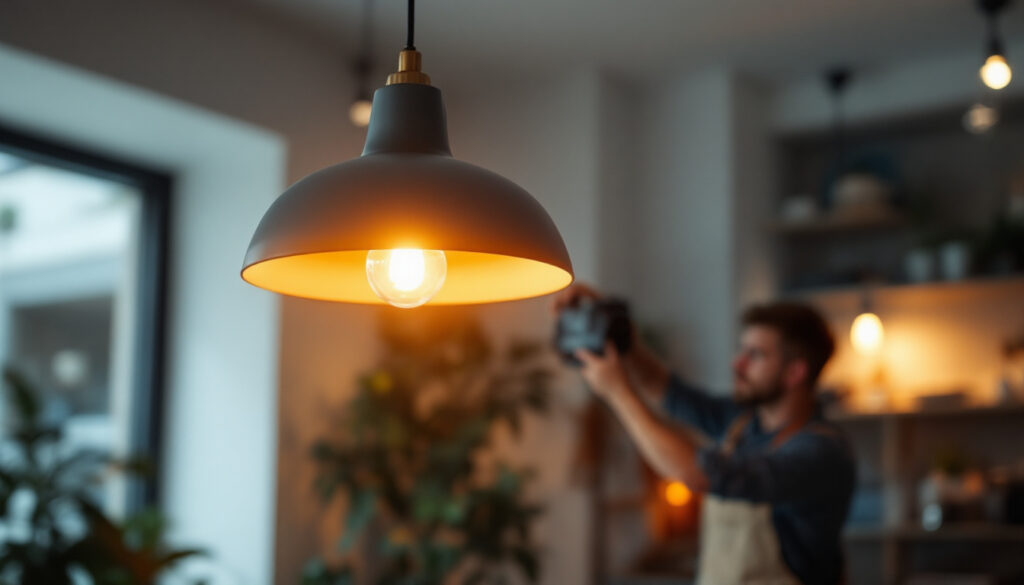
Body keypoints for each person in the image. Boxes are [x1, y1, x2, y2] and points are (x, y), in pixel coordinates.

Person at [556, 284, 855, 585]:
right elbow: (663, 388)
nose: (737, 364)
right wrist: (611, 325)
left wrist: (618, 394)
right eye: (741, 350)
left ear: (795, 373)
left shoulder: (820, 452)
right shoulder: (741, 421)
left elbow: (697, 474)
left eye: (755, 355)